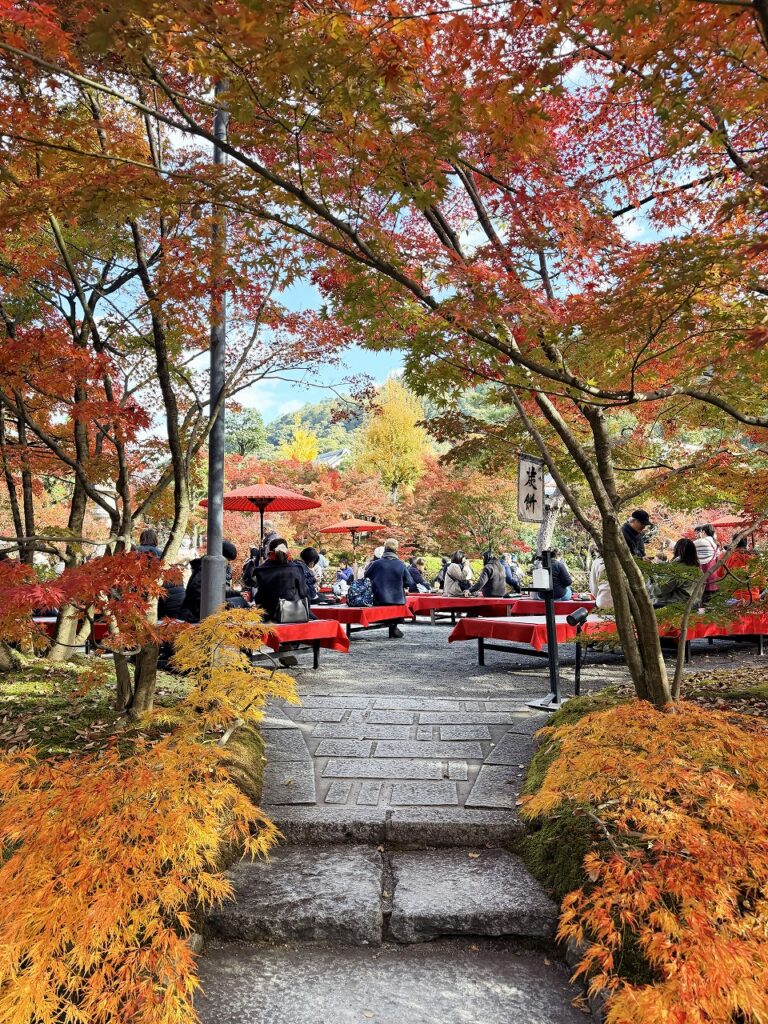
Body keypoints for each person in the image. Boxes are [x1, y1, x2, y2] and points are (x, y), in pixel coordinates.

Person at [364, 538, 413, 638]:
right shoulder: (401, 564)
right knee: (399, 598)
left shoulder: (376, 563)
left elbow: (366, 576)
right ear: (396, 550)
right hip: (397, 600)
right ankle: (393, 627)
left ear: (385, 549)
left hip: (379, 599)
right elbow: (410, 582)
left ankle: (393, 627)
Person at [252, 538, 309, 622]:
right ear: (286, 549)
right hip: (294, 614)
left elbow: (259, 596)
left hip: (268, 616)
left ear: (269, 550)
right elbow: (304, 593)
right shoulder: (296, 568)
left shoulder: (260, 570)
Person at [180, 540, 238, 622]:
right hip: (195, 616)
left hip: (204, 614)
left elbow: (221, 590)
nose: (228, 563)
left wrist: (236, 594)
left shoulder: (217, 568)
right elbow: (196, 591)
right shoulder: (205, 568)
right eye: (227, 560)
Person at [650, 538, 701, 608]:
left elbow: (659, 590)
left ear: (677, 550)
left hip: (676, 605)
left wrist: (652, 577)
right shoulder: (697, 568)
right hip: (694, 604)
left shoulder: (680, 568)